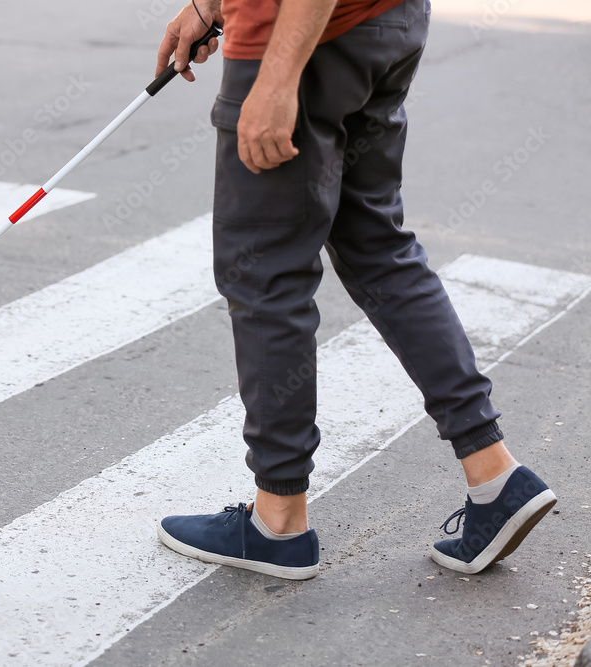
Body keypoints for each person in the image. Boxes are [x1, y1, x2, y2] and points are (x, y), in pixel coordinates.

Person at [154, 0, 557, 579]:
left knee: (264, 271)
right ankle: (494, 474)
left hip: (301, 33)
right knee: (376, 245)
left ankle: (278, 519)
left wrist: (277, 78)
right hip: (381, 21)